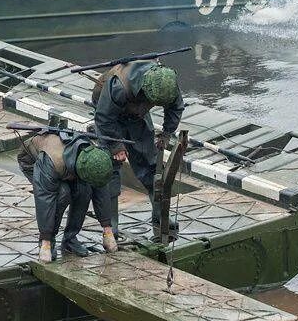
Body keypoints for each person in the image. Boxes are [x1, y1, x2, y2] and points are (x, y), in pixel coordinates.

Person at [92, 60, 185, 237]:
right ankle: (111, 223)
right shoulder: (119, 87)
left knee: (151, 166)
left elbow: (175, 108)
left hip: (137, 114)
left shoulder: (167, 84)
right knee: (111, 170)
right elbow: (103, 118)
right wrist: (116, 146)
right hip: (109, 116)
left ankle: (159, 214)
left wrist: (166, 132)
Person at [18, 130, 119, 263]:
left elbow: (101, 189)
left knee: (84, 191)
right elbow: (45, 201)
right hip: (34, 163)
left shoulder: (94, 157)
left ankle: (70, 240)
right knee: (63, 194)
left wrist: (107, 230)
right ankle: (49, 242)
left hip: (69, 164)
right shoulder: (52, 161)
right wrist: (46, 240)